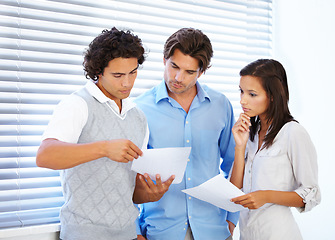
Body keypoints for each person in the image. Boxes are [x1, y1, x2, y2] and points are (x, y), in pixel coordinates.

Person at [36, 27, 173, 240]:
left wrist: (150, 194)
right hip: (83, 235)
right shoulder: (78, 104)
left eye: (133, 72)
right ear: (98, 71)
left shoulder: (138, 117)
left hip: (127, 234)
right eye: (118, 75)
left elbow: (131, 192)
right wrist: (104, 148)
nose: (127, 82)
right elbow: (45, 156)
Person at [134, 28, 238, 240]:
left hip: (214, 231)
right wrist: (135, 231)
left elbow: (234, 163)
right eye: (174, 66)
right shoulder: (139, 109)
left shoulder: (220, 105)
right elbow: (124, 176)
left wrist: (232, 219)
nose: (178, 78)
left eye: (189, 72)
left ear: (202, 72)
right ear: (165, 60)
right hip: (161, 232)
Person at [230, 59, 321, 240]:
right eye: (241, 91)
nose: (243, 100)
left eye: (252, 94)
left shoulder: (292, 132)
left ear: (272, 95)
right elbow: (234, 188)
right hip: (247, 234)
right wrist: (239, 147)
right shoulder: (250, 133)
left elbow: (312, 193)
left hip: (279, 234)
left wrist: (267, 196)